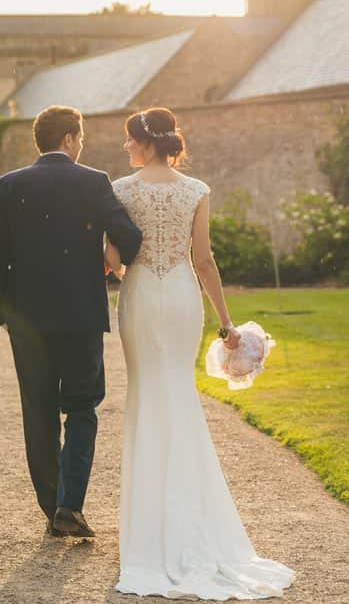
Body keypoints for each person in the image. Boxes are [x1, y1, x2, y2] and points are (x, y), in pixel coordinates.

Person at [106, 107, 295, 599]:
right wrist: (225, 322)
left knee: (147, 395)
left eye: (129, 141)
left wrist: (115, 262)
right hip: (184, 300)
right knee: (178, 395)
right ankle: (191, 519)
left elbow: (113, 260)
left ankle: (150, 530)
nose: (125, 148)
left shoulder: (121, 191)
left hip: (142, 298)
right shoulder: (196, 190)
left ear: (145, 144)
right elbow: (203, 260)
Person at [0, 105, 143, 539]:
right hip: (80, 317)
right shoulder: (93, 182)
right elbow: (129, 235)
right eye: (82, 137)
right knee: (81, 408)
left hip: (27, 322)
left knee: (37, 412)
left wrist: (6, 317)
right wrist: (113, 256)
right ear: (71, 138)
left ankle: (51, 504)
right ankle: (69, 506)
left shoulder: (8, 186)